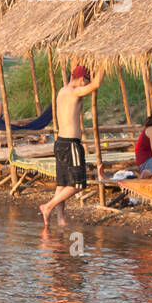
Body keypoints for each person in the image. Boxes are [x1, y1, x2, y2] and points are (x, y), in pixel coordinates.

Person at [40, 64, 104, 229]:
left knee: (62, 184)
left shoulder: (62, 91)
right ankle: (48, 206)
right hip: (70, 145)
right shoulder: (74, 91)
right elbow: (96, 84)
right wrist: (103, 63)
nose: (87, 84)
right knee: (77, 184)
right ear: (82, 79)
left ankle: (61, 219)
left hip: (60, 143)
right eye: (86, 81)